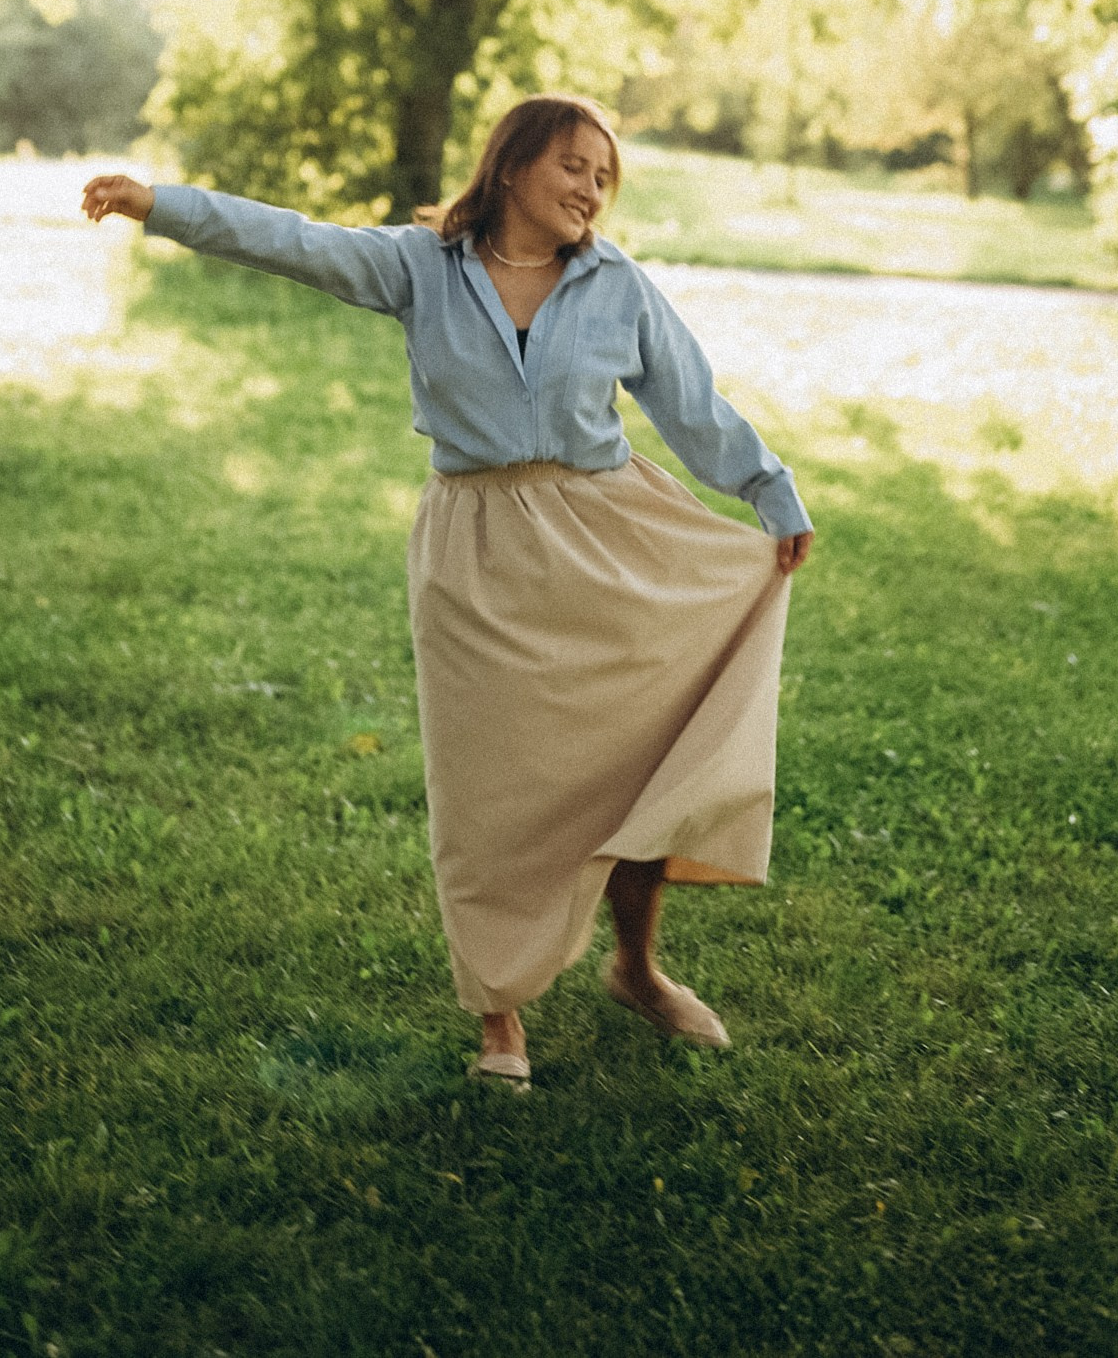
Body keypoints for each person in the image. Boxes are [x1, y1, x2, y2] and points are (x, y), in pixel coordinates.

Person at [83, 93, 813, 1089]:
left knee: (641, 753)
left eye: (604, 174)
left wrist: (773, 495)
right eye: (573, 165)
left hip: (609, 539)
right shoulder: (421, 267)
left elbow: (692, 405)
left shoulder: (618, 287)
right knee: (488, 789)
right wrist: (157, 203)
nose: (591, 188)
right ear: (511, 167)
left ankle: (635, 966)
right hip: (477, 551)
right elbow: (293, 241)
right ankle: (499, 1018)